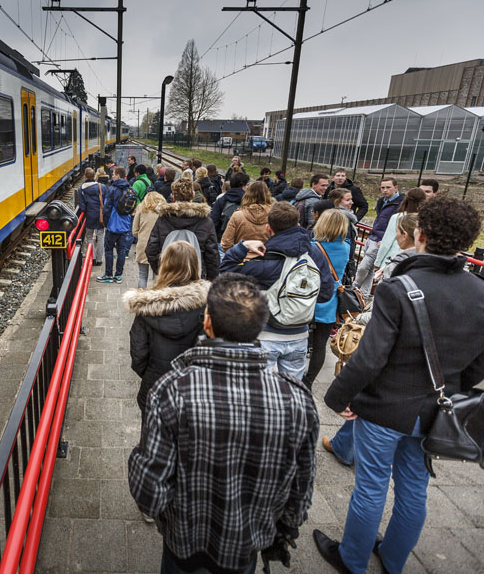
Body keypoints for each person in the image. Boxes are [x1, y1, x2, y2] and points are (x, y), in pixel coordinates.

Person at [316, 195, 484, 574]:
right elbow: (479, 369)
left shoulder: (400, 288)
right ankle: (393, 559)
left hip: (384, 407)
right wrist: (445, 389)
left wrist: (338, 397)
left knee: (370, 488)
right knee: (414, 488)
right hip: (436, 411)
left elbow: (370, 358)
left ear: (420, 234)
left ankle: (352, 560)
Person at [128, 273, 319, 574]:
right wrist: (282, 528)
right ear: (260, 326)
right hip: (244, 547)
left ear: (207, 322)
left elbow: (149, 491)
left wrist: (166, 516)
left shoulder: (171, 391)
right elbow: (301, 486)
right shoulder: (297, 400)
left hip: (184, 542)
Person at [324, 212, 419, 468]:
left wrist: (357, 321)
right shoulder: (437, 267)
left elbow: (384, 309)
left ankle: (346, 447)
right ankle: (343, 444)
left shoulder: (399, 264)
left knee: (370, 389)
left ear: (404, 235)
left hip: (391, 342)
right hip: (419, 362)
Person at [220, 201, 334, 379]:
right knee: (291, 390)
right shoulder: (313, 254)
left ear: (268, 228)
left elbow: (226, 273)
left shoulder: (267, 259)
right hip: (300, 334)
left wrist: (242, 247)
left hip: (266, 334)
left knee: (259, 390)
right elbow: (325, 293)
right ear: (298, 225)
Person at [126, 241, 209, 413]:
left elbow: (138, 351)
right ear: (195, 265)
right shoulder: (207, 303)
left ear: (164, 265)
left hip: (155, 383)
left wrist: (150, 374)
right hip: (193, 386)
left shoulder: (146, 307)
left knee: (150, 433)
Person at [304, 209, 351, 389]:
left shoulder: (311, 246)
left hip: (309, 298)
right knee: (319, 346)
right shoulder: (346, 247)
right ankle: (308, 381)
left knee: (301, 341)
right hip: (330, 301)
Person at [146, 179, 220, 281]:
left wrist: (161, 271)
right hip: (196, 278)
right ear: (193, 195)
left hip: (168, 276)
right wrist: (209, 279)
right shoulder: (205, 221)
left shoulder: (164, 219)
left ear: (173, 196)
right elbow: (212, 255)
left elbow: (151, 249)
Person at [353, 177, 401, 295]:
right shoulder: (382, 201)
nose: (385, 190)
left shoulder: (400, 204)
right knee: (369, 270)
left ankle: (354, 287)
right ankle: (363, 295)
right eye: (382, 188)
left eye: (388, 187)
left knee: (364, 267)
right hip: (372, 237)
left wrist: (384, 240)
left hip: (380, 240)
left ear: (395, 187)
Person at [374, 187, 426, 273]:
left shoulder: (398, 217)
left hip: (393, 259)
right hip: (414, 262)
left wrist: (377, 263)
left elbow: (386, 243)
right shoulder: (425, 219)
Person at [97, 166, 133, 283]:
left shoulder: (112, 189)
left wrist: (105, 223)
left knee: (108, 250)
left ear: (118, 176)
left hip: (113, 225)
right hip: (125, 225)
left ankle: (108, 275)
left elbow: (106, 208)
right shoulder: (130, 189)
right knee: (121, 250)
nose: (112, 176)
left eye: (113, 174)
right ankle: (118, 275)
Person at [221, 180, 271, 252]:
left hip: (240, 259)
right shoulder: (273, 217)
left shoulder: (238, 215)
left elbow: (226, 243)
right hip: (265, 259)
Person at [132, 192, 165, 288]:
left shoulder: (141, 209)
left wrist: (142, 236)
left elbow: (134, 231)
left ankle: (141, 299)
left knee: (142, 275)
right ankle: (155, 299)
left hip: (143, 245)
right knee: (157, 276)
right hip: (159, 245)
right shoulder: (163, 212)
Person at [75, 168, 105, 266]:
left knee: (89, 237)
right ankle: (100, 260)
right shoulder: (101, 186)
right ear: (94, 176)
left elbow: (82, 206)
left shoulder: (81, 189)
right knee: (100, 236)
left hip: (90, 215)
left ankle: (93, 258)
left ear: (85, 176)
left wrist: (87, 211)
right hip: (100, 215)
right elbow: (106, 200)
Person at [210, 171, 249, 239]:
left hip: (222, 237)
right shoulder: (248, 202)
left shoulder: (221, 200)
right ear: (243, 186)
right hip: (241, 240)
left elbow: (214, 221)